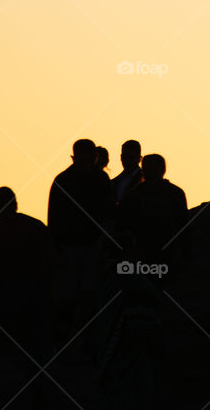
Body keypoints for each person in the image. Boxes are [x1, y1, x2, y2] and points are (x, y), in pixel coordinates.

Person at [0, 187, 54, 403]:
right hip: (32, 294)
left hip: (4, 294)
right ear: (16, 203)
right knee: (33, 347)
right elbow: (49, 260)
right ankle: (38, 393)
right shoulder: (35, 226)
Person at [47, 139, 113, 343]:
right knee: (84, 297)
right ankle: (77, 340)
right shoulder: (97, 179)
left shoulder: (64, 180)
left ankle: (71, 340)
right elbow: (110, 214)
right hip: (79, 247)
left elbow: (53, 218)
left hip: (83, 246)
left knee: (79, 297)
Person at [117, 154, 188, 267]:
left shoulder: (136, 194)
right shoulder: (135, 194)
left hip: (163, 252)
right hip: (145, 251)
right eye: (146, 169)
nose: (149, 172)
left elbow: (183, 225)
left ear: (162, 170)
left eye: (152, 169)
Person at [110, 139, 143, 204]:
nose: (127, 161)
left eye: (131, 157)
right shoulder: (115, 182)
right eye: (125, 157)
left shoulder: (144, 180)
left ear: (139, 158)